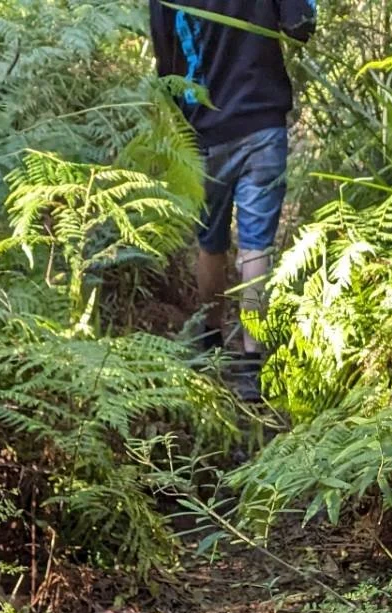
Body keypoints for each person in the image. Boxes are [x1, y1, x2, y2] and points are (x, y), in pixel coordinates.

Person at [149, 0, 316, 397]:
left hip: (203, 132)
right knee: (256, 246)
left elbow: (166, 64)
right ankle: (251, 361)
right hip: (263, 122)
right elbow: (301, 24)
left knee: (211, 242)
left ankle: (210, 340)